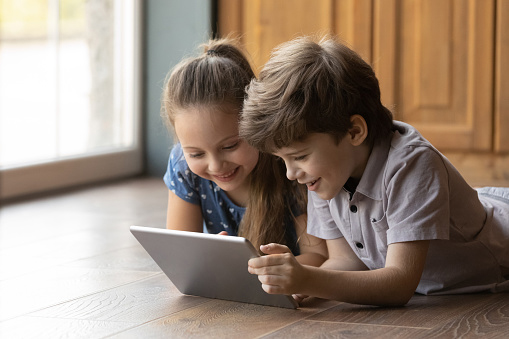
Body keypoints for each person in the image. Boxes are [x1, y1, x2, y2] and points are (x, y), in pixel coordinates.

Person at [240, 35, 509, 307]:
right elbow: (347, 262)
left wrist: (309, 279)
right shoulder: (327, 173)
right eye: (282, 160)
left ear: (354, 131)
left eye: (299, 156)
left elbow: (398, 284)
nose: (290, 173)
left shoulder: (412, 165)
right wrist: (298, 285)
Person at [160, 37, 327, 266]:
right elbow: (179, 259)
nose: (216, 165)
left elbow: (319, 256)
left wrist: (281, 270)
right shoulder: (183, 167)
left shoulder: (288, 165)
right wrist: (204, 259)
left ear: (253, 125)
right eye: (196, 154)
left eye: (230, 146)